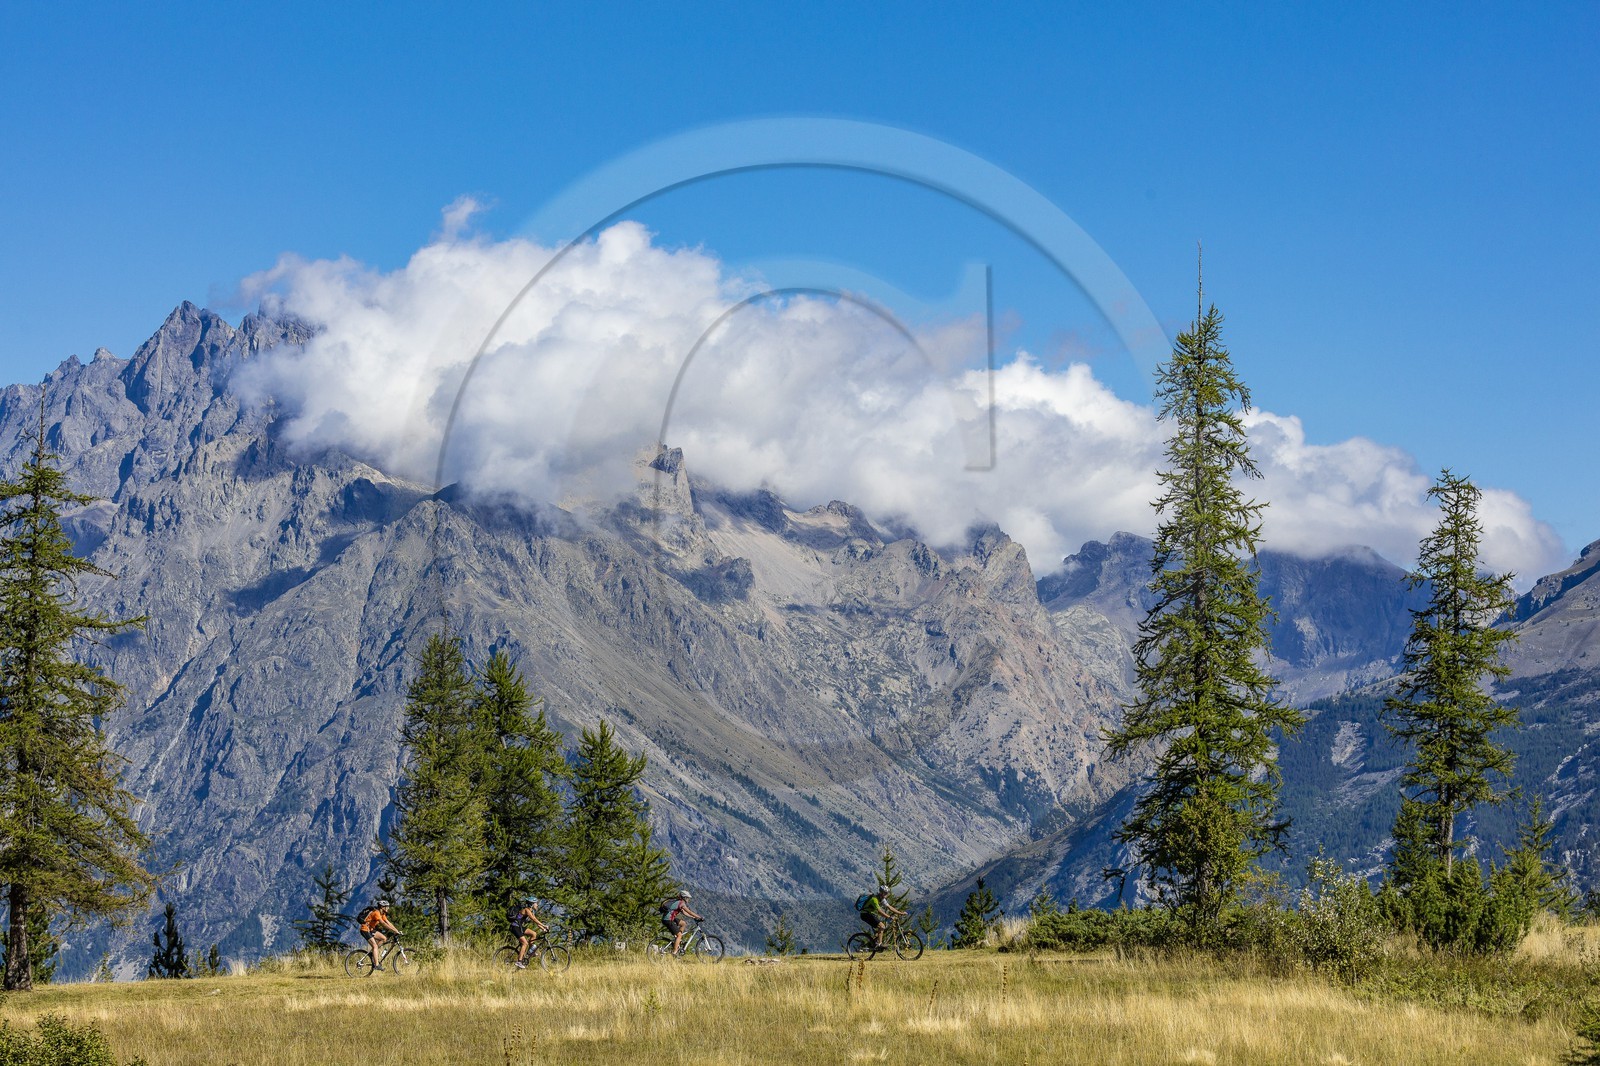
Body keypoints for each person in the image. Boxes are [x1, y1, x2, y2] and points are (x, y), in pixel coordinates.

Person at [359, 898, 401, 970]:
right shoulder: (376, 913)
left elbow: (388, 922)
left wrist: (397, 930)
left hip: (371, 930)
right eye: (387, 906)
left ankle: (373, 954)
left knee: (384, 939)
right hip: (365, 929)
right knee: (375, 946)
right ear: (382, 907)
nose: (388, 908)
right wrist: (394, 931)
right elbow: (383, 924)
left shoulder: (382, 914)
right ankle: (376, 965)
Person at [511, 898, 549, 969]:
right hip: (515, 927)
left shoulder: (531, 911)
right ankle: (519, 961)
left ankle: (530, 951)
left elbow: (537, 923)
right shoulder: (526, 910)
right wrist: (544, 925)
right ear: (531, 904)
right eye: (536, 903)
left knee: (534, 934)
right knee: (525, 943)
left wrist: (543, 929)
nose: (537, 905)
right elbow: (534, 920)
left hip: (520, 927)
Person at [661, 889, 702, 955]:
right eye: (688, 898)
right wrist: (699, 917)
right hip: (668, 920)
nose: (688, 899)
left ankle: (678, 940)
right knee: (679, 935)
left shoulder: (678, 902)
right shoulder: (681, 903)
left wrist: (693, 917)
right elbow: (689, 912)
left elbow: (684, 913)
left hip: (669, 918)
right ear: (684, 897)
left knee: (683, 923)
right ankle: (674, 952)